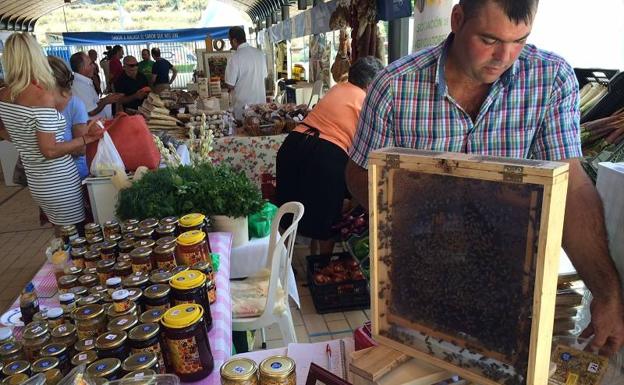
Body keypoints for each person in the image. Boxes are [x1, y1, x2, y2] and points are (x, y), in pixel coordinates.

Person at [345, 0, 624, 356]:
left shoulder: (551, 79)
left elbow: (571, 188)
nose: (504, 57)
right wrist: (407, 211)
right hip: (417, 281)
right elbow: (358, 174)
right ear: (458, 19)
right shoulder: (394, 85)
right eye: (489, 39)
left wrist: (606, 293)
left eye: (520, 40)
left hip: (509, 285)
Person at [276, 57, 384, 255]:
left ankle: (285, 265)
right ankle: (321, 267)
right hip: (326, 155)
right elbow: (368, 151)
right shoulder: (367, 100)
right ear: (371, 84)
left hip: (292, 145)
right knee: (327, 219)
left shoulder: (338, 88)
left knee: (290, 210)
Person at [0, 33, 103, 232]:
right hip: (60, 181)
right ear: (36, 56)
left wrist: (26, 143)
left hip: (37, 180)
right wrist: (85, 138)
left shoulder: (4, 95)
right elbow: (50, 150)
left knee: (62, 233)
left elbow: (5, 132)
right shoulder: (40, 97)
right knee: (78, 235)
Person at [48, 56, 90, 180]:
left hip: (73, 176)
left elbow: (81, 149)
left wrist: (49, 148)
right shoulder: (36, 106)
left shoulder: (74, 104)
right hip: (43, 179)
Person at [225, 26, 268, 119]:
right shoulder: (260, 54)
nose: (230, 43)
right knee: (260, 129)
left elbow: (230, 85)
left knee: (244, 130)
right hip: (261, 107)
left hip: (244, 109)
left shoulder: (235, 58)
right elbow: (264, 76)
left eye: (230, 40)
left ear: (234, 40)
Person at [70, 51, 122, 119]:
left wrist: (107, 99)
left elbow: (93, 103)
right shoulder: (79, 85)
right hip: (93, 127)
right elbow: (91, 111)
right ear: (82, 68)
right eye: (90, 64)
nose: (94, 66)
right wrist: (106, 100)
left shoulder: (84, 82)